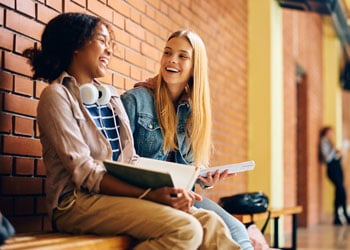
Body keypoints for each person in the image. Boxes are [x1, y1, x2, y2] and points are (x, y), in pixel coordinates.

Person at [23, 12, 241, 249]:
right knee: (185, 230)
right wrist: (149, 194)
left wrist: (170, 190)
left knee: (211, 223)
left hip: (112, 198)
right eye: (102, 41)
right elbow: (85, 172)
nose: (109, 50)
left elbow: (131, 159)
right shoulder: (56, 97)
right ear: (77, 44)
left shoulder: (111, 98)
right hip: (74, 203)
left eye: (110, 44)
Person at [121, 29, 253, 249]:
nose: (172, 60)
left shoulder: (193, 112)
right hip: (147, 197)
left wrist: (203, 179)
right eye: (167, 52)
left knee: (237, 230)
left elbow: (187, 173)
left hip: (181, 197)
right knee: (207, 232)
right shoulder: (135, 101)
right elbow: (118, 163)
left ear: (195, 66)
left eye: (183, 56)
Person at [319, 126, 350, 225]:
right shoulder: (323, 142)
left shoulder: (330, 142)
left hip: (337, 167)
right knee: (341, 190)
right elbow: (327, 158)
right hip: (332, 169)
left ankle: (337, 217)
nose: (332, 135)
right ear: (326, 132)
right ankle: (345, 213)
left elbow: (337, 155)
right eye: (330, 132)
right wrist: (333, 148)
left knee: (338, 192)